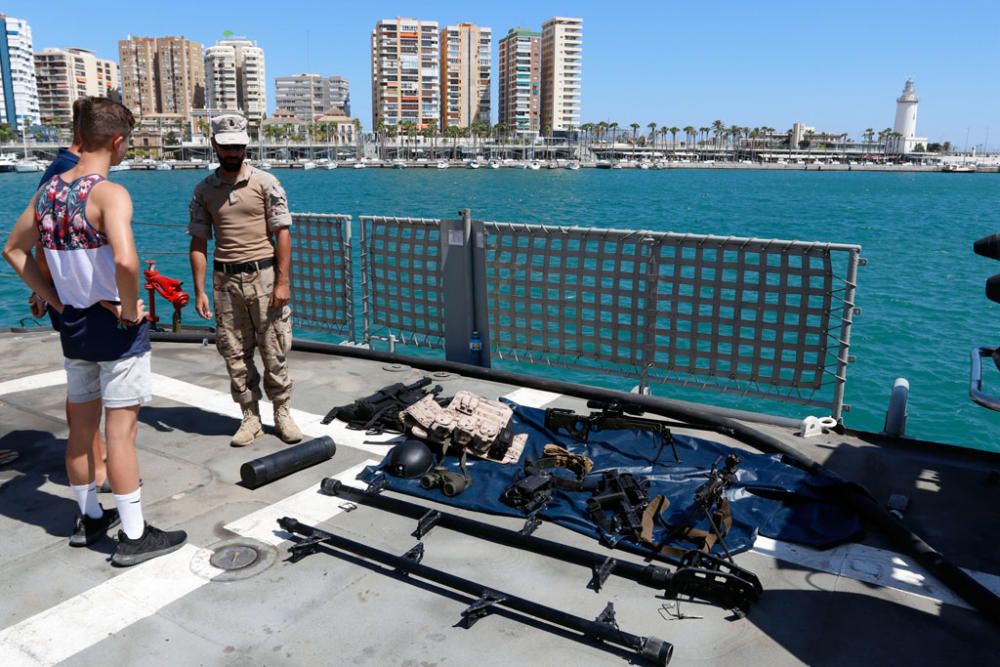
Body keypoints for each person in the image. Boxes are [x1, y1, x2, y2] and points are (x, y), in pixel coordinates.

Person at [3, 97, 186, 565]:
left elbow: (14, 251)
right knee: (121, 435)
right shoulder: (108, 194)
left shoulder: (46, 195)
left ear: (79, 134)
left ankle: (88, 518)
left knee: (81, 430)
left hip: (74, 328)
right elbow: (125, 261)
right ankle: (134, 534)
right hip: (116, 331)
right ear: (118, 141)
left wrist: (59, 300)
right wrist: (129, 310)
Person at [188, 113, 302, 447]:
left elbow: (282, 233)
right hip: (225, 282)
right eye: (226, 147)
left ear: (246, 145)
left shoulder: (266, 184)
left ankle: (282, 412)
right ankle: (250, 417)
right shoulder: (204, 191)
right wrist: (199, 291)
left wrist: (283, 282)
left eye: (237, 146)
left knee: (274, 348)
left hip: (264, 277)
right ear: (214, 146)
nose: (232, 153)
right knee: (234, 352)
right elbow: (197, 241)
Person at [29, 97, 111, 494]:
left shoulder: (56, 171)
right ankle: (96, 467)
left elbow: (32, 242)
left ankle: (99, 459)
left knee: (84, 384)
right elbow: (43, 243)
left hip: (69, 297)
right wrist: (51, 295)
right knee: (86, 389)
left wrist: (42, 290)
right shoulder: (66, 174)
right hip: (81, 301)